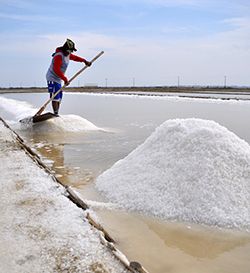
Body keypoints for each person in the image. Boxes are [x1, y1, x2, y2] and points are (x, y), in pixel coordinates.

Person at [46, 38, 91, 116]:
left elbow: (76, 58)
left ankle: (56, 113)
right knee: (55, 96)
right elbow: (56, 69)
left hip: (59, 78)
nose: (70, 52)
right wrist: (65, 79)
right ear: (66, 49)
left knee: (59, 97)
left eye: (71, 51)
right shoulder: (59, 56)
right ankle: (55, 113)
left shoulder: (68, 55)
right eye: (70, 50)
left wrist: (84, 61)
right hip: (52, 77)